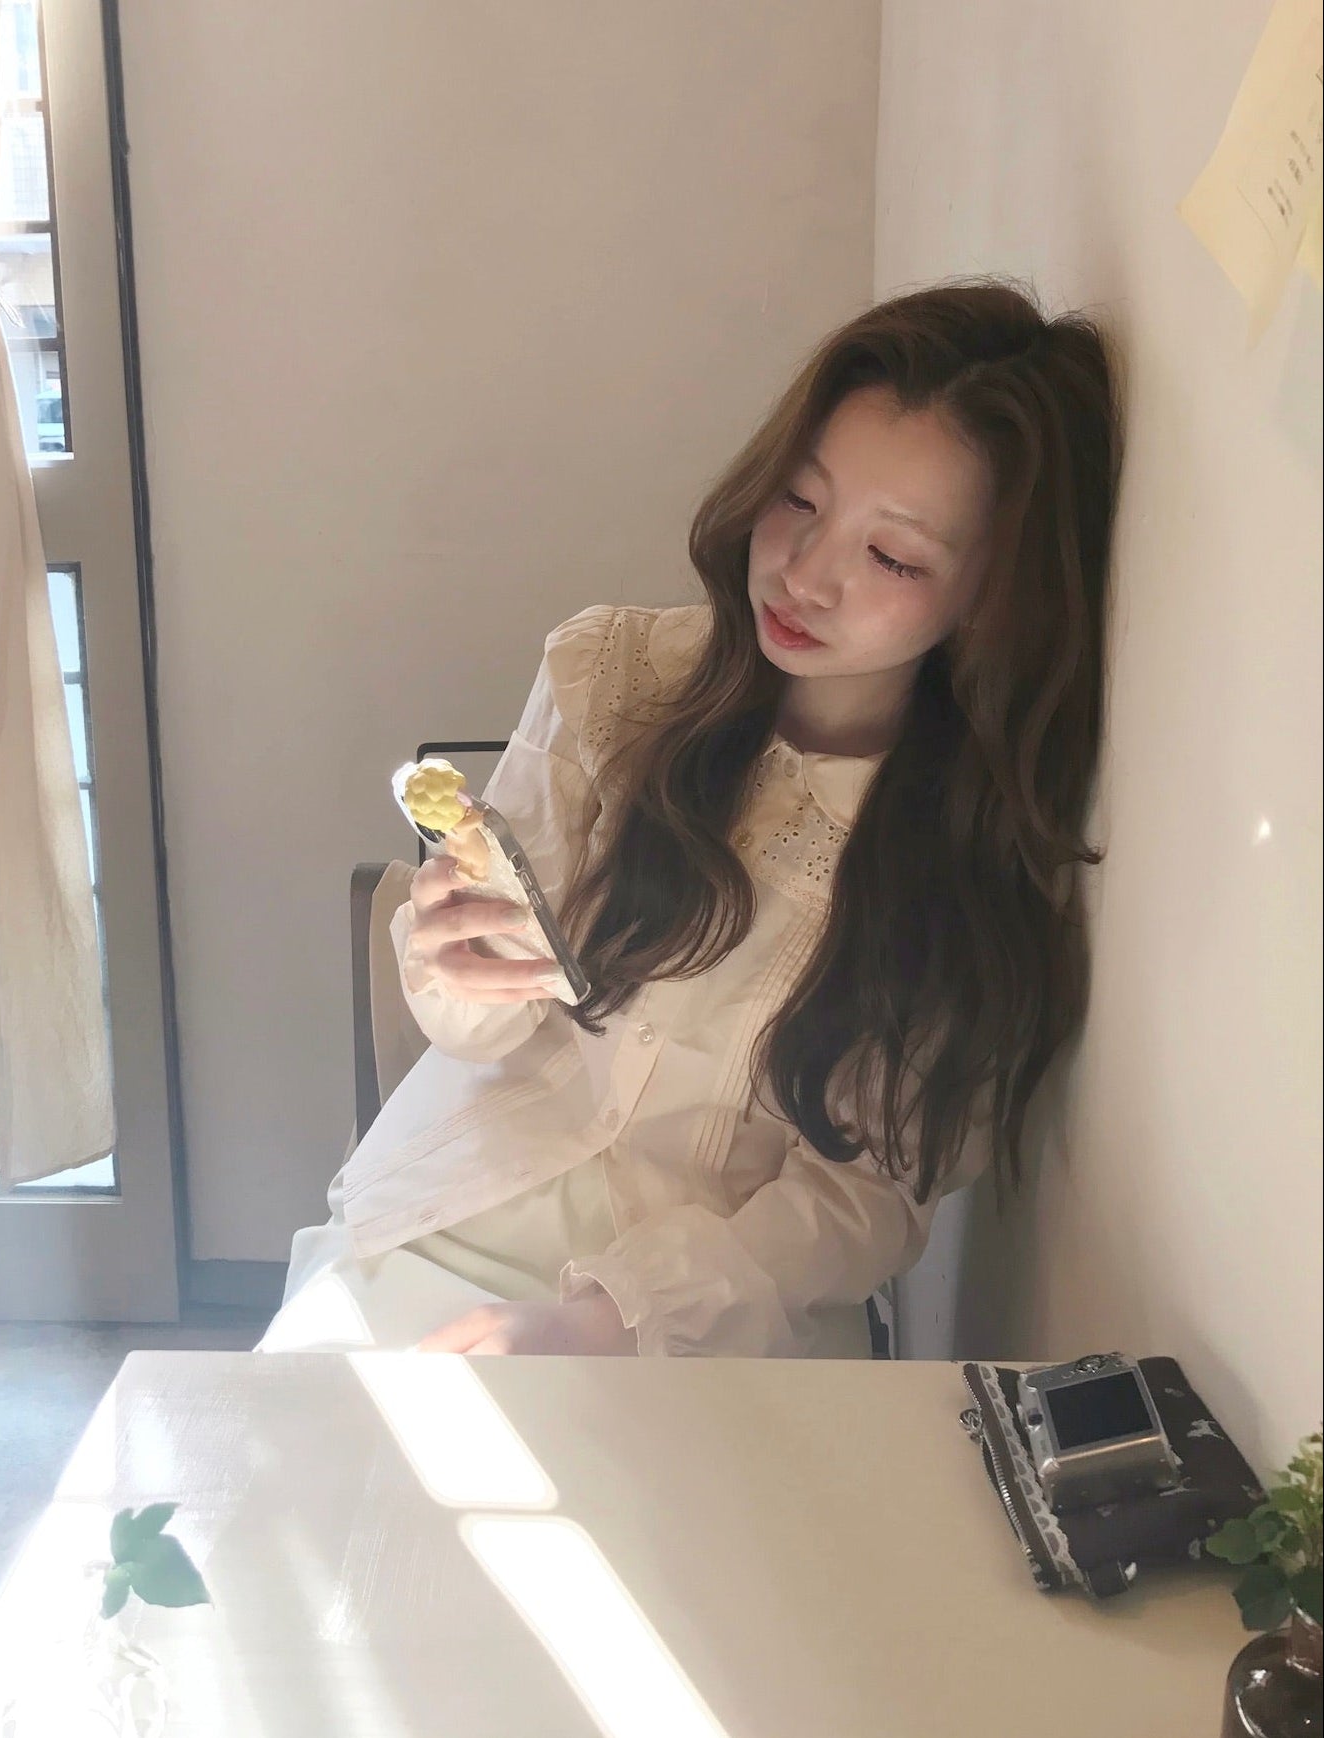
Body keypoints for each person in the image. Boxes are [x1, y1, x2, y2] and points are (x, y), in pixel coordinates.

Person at [261, 280, 1120, 1359]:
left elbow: (863, 1198)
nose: (805, 575)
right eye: (799, 500)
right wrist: (450, 962)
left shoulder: (963, 849)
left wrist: (603, 1320)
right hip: (438, 1224)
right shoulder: (613, 676)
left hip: (708, 1317)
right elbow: (483, 1027)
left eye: (892, 557)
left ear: (991, 595)